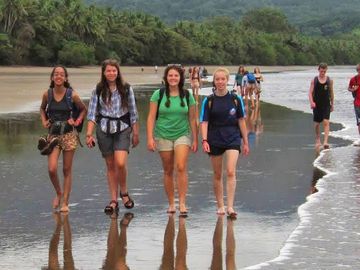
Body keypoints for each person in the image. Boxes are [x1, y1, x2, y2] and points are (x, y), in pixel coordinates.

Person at [86, 59, 139, 215]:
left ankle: (124, 192)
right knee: (110, 165)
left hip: (123, 127)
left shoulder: (126, 89)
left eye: (114, 70)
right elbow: (92, 113)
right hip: (104, 129)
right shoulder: (98, 90)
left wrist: (136, 133)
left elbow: (133, 112)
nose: (111, 73)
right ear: (104, 72)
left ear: (118, 72)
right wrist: (89, 134)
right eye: (108, 71)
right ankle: (113, 200)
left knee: (120, 163)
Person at [147, 65, 198, 215]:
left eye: (176, 75)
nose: (173, 78)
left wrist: (195, 139)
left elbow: (193, 118)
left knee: (181, 167)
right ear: (166, 78)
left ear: (180, 78)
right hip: (162, 134)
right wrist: (150, 137)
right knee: (168, 170)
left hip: (183, 133)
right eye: (170, 75)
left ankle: (182, 203)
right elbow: (151, 117)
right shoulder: (158, 94)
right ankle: (171, 203)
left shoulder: (188, 95)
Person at [200, 67, 249, 218]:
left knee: (230, 171)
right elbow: (204, 122)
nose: (220, 82)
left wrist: (245, 142)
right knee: (217, 174)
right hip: (214, 138)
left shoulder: (235, 99)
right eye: (217, 79)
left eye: (223, 79)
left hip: (233, 137)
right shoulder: (209, 101)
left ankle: (230, 206)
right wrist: (204, 140)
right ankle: (220, 205)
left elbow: (241, 120)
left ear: (228, 81)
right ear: (214, 81)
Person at [39, 65, 87, 212]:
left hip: (69, 135)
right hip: (53, 135)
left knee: (66, 169)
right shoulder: (47, 94)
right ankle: (59, 193)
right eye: (56, 74)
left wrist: (77, 121)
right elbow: (42, 108)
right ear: (52, 77)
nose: (58, 76)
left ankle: (65, 202)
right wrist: (43, 120)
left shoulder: (71, 95)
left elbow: (84, 109)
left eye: (61, 74)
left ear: (65, 78)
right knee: (52, 169)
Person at [308, 63, 334, 149]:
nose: (323, 73)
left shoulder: (329, 80)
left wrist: (332, 104)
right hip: (317, 104)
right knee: (316, 124)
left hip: (326, 104)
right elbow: (310, 93)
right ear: (318, 70)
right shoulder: (314, 80)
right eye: (322, 71)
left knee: (326, 122)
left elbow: (331, 93)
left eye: (324, 71)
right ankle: (318, 139)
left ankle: (325, 142)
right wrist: (311, 102)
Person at [347, 63, 360, 144]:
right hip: (357, 103)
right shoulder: (353, 79)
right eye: (359, 70)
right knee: (359, 122)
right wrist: (353, 90)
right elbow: (349, 88)